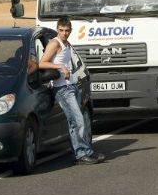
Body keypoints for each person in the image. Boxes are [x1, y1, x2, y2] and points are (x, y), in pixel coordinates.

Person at [35, 17, 105, 165]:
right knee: (78, 121)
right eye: (61, 30)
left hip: (71, 86)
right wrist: (60, 67)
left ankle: (84, 152)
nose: (64, 33)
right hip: (62, 88)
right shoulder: (54, 43)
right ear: (57, 29)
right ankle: (83, 154)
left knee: (76, 122)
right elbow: (42, 63)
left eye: (67, 31)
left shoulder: (66, 43)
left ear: (70, 31)